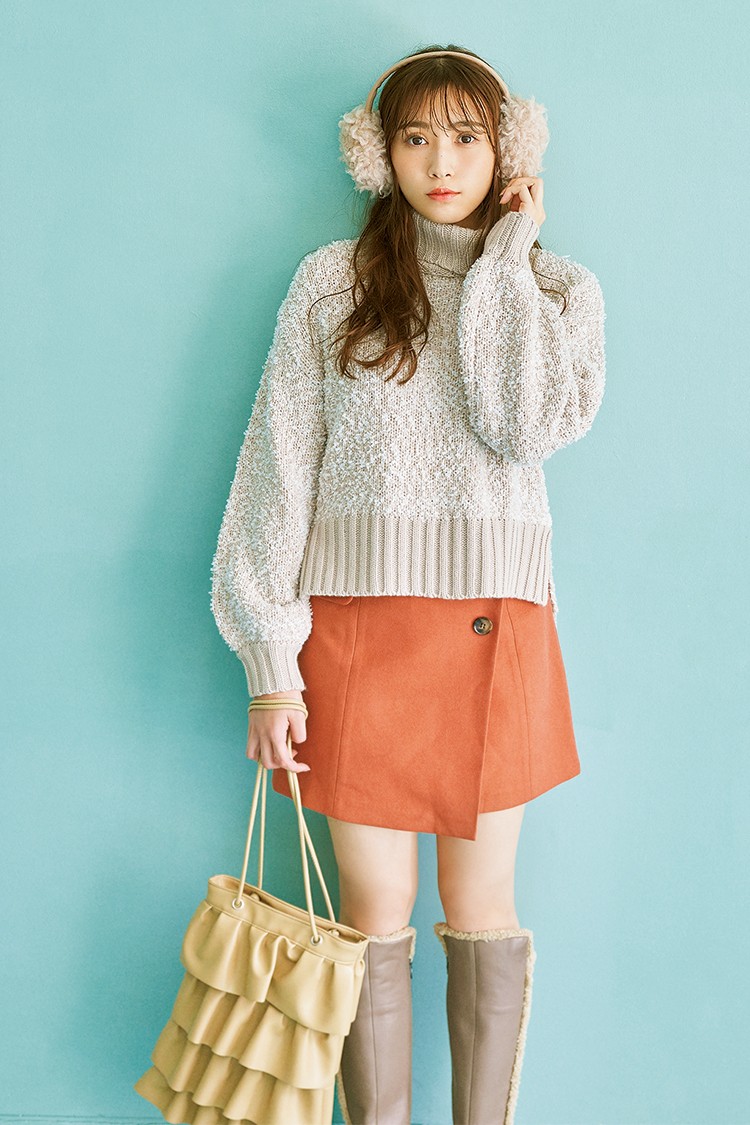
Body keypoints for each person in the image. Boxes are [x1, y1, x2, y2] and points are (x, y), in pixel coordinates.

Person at [210, 43, 606, 1125]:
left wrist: (507, 252)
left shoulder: (554, 288)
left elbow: (527, 424)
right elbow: (276, 469)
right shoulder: (330, 283)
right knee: (374, 907)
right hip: (358, 635)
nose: (441, 162)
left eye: (467, 138)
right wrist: (269, 662)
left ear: (506, 151)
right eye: (416, 137)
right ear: (376, 154)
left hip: (497, 627)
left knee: (482, 904)